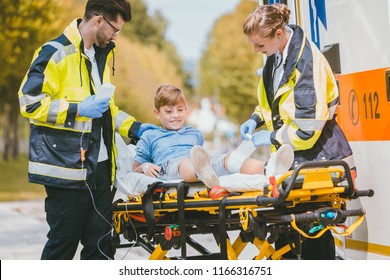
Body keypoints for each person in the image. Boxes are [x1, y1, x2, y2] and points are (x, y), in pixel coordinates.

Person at [17, 0, 156, 260]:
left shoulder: (100, 56)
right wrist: (77, 109)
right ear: (99, 20)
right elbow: (29, 102)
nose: (117, 36)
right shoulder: (54, 53)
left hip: (101, 171)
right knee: (62, 246)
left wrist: (135, 127)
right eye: (115, 29)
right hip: (66, 172)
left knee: (101, 249)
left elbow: (106, 109)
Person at [239, 3, 355, 260]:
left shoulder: (305, 62)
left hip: (317, 155)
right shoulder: (277, 57)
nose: (255, 50)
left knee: (311, 230)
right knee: (290, 230)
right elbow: (275, 102)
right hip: (296, 157)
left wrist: (271, 137)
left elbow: (308, 129)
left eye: (259, 44)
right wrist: (256, 119)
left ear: (278, 33)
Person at [133, 84, 294, 199]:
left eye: (180, 110)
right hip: (170, 168)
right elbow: (135, 170)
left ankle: (269, 168)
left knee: (229, 158)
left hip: (202, 164)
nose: (175, 115)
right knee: (185, 163)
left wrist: (210, 162)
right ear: (157, 113)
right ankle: (202, 172)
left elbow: (201, 155)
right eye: (169, 111)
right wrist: (145, 166)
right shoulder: (150, 136)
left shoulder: (194, 133)